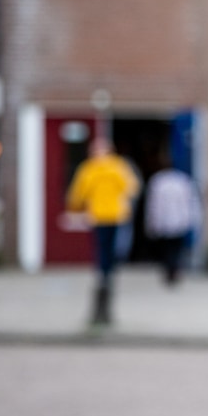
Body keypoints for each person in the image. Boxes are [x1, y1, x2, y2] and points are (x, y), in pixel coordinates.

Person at [66, 136, 140, 326]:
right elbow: (131, 187)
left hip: (112, 214)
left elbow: (78, 193)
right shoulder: (114, 166)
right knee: (107, 246)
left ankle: (106, 272)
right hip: (106, 214)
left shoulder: (95, 168)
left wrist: (75, 206)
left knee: (106, 246)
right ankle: (106, 273)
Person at [143, 156, 201, 286]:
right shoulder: (183, 181)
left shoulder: (158, 181)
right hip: (179, 221)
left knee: (167, 248)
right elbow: (191, 202)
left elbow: (153, 205)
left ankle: (169, 270)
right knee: (176, 249)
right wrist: (192, 219)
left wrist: (152, 223)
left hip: (165, 222)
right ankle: (173, 270)